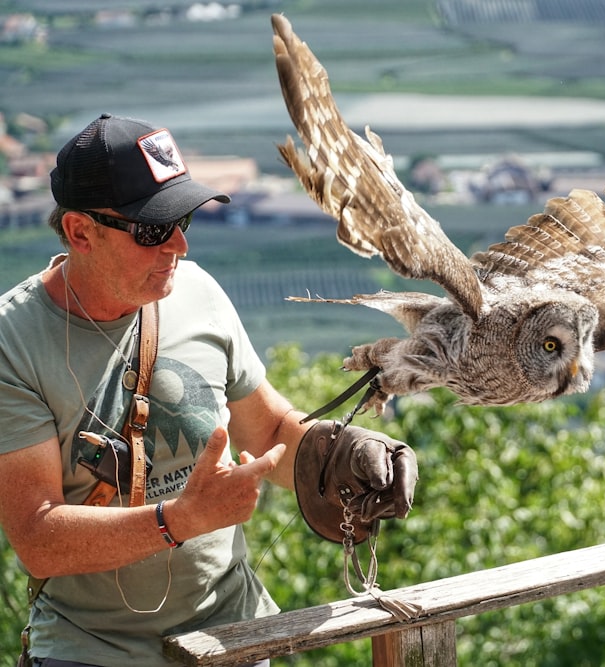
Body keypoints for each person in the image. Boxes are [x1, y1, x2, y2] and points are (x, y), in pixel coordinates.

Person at [0, 113, 418, 666]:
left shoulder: (198, 293)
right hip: (92, 651)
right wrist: (181, 520)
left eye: (184, 220)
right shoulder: (14, 341)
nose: (178, 245)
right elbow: (38, 537)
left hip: (233, 638)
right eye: (152, 229)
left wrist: (342, 452)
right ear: (81, 232)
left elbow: (267, 429)